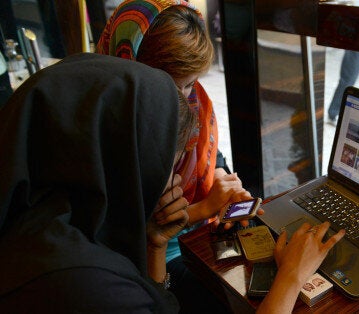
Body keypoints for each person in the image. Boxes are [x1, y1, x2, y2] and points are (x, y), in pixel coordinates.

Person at [0, 53, 345, 313]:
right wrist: (291, 276)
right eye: (164, 163)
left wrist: (155, 245)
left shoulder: (43, 221)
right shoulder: (84, 286)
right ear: (119, 158)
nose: (174, 177)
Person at [97, 1, 252, 306]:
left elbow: (212, 155)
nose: (184, 98)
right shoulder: (107, 128)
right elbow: (130, 230)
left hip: (193, 239)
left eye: (191, 83)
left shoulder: (194, 100)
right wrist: (206, 206)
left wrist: (223, 184)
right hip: (149, 262)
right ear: (131, 65)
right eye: (171, 86)